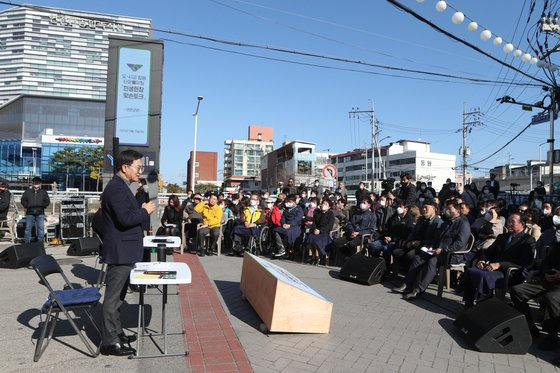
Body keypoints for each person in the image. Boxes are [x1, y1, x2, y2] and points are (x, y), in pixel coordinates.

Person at [100, 150, 155, 356]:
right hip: (120, 252)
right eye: (138, 167)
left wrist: (139, 209)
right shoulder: (116, 188)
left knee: (120, 297)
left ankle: (117, 333)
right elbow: (124, 219)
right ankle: (109, 342)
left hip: (125, 251)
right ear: (125, 167)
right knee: (113, 299)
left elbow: (124, 215)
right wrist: (144, 211)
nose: (140, 171)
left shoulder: (122, 187)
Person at [394, 200, 471, 300]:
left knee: (432, 262)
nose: (447, 211)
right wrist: (431, 246)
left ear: (457, 211)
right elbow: (437, 238)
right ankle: (407, 284)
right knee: (419, 258)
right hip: (437, 250)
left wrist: (443, 249)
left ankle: (418, 290)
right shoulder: (447, 223)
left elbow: (460, 243)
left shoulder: (463, 223)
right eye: (446, 208)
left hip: (451, 254)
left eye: (449, 209)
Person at [462, 212, 536, 309]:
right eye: (508, 221)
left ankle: (483, 304)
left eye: (512, 222)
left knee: (482, 275)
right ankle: (469, 303)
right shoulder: (503, 237)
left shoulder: (528, 240)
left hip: (510, 272)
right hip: (491, 267)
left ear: (522, 224)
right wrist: (482, 260)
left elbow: (524, 262)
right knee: (471, 271)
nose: (508, 224)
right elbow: (488, 252)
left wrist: (500, 264)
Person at [510, 242, 560, 351]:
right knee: (517, 291)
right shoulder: (558, 245)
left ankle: (552, 335)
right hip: (548, 280)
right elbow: (546, 262)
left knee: (552, 298)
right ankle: (529, 324)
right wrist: (547, 272)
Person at [331, 198, 376, 262]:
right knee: (336, 242)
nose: (362, 204)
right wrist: (352, 231)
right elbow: (349, 224)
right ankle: (348, 256)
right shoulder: (356, 213)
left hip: (362, 236)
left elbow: (371, 230)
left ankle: (351, 260)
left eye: (364, 203)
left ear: (369, 205)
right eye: (362, 202)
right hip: (352, 234)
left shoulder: (372, 216)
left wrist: (359, 233)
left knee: (351, 244)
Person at [21, 177, 50, 243]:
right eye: (35, 182)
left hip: (40, 213)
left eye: (38, 182)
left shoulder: (44, 192)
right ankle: (27, 241)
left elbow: (47, 201)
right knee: (28, 228)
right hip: (30, 213)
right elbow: (23, 200)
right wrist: (27, 206)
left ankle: (40, 241)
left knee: (41, 228)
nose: (36, 183)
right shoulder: (27, 191)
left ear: (40, 183)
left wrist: (42, 206)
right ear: (32, 183)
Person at [306, 198, 335, 265]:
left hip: (324, 233)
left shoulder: (331, 214)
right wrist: (314, 229)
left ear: (329, 206)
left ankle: (317, 257)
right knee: (309, 238)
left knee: (317, 240)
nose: (323, 205)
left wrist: (320, 231)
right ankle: (313, 256)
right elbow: (314, 223)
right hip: (316, 231)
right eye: (323, 203)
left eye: (325, 204)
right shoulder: (317, 213)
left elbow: (329, 226)